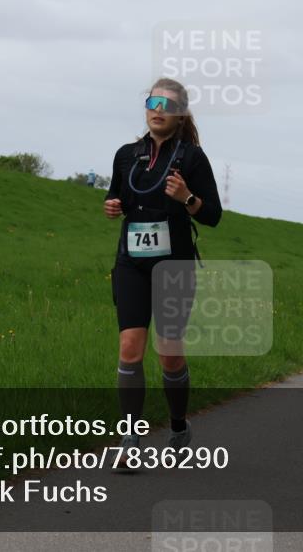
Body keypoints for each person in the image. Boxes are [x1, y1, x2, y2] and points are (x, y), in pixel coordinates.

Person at [104, 78, 222, 457]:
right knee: (129, 347)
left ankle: (178, 425)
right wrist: (112, 207)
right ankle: (130, 440)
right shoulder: (126, 155)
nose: (159, 110)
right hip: (131, 263)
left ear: (181, 114)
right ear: (146, 107)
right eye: (154, 102)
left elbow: (213, 216)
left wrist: (187, 197)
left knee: (169, 352)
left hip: (174, 266)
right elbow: (117, 195)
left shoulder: (192, 158)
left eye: (169, 105)